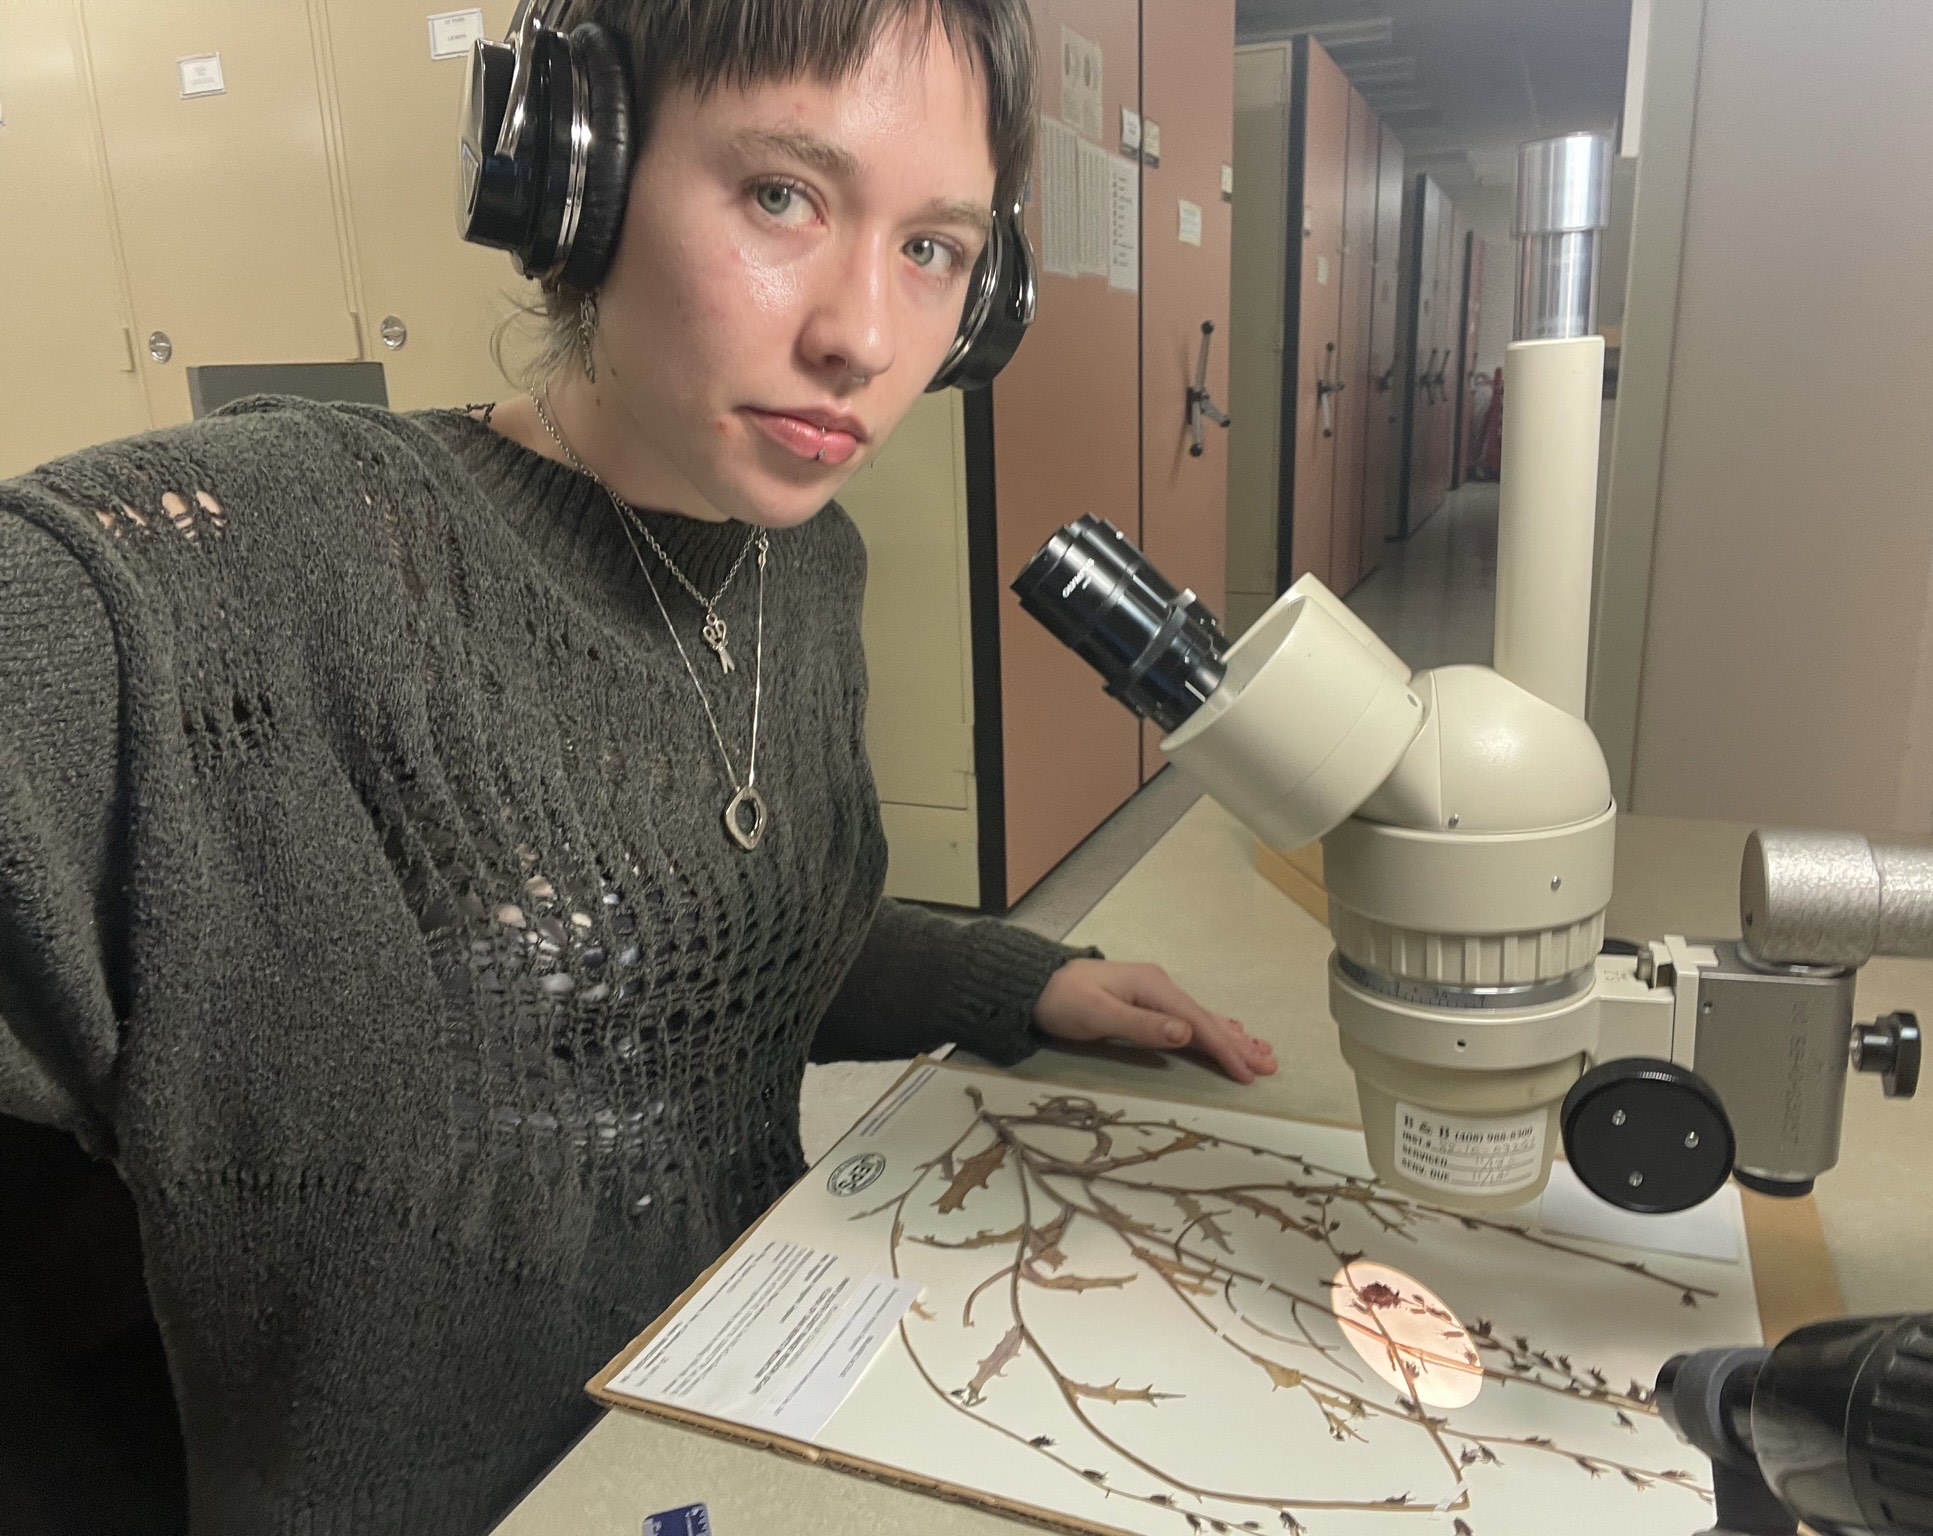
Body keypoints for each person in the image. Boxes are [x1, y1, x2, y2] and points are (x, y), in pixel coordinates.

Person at [0, 1, 1275, 1531]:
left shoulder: (799, 577)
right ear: (576, 181)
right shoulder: (242, 562)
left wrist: (1007, 983)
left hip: (729, 1424)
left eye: (932, 247)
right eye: (782, 195)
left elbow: (668, 928)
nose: (864, 336)